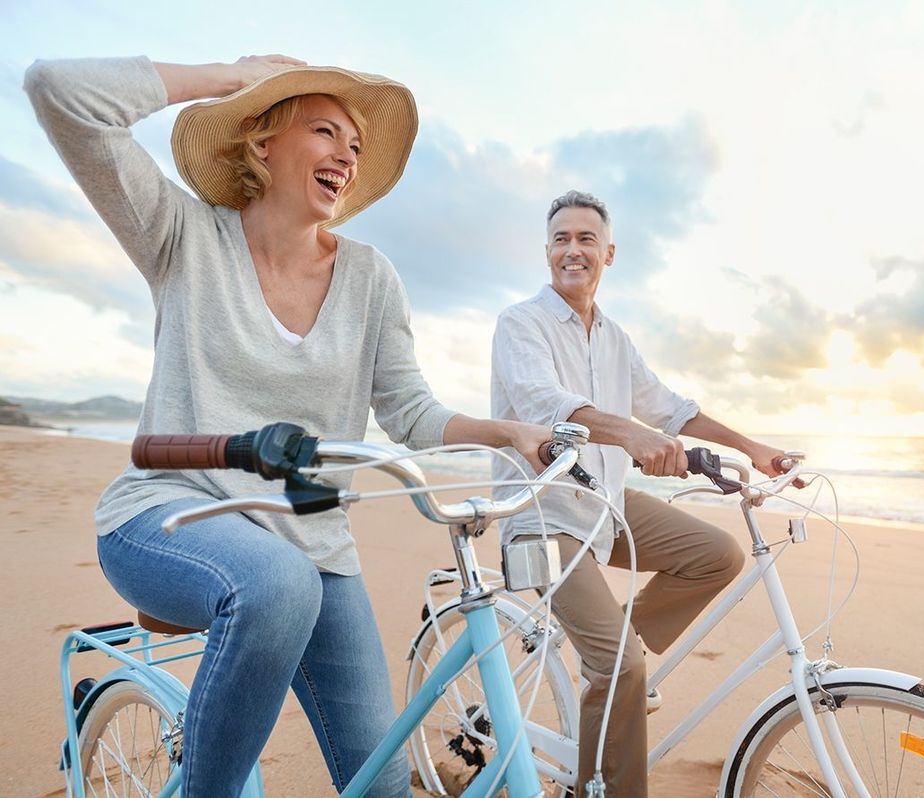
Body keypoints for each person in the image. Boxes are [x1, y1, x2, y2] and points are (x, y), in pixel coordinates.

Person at [25, 54, 549, 797]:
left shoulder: (372, 278)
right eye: (326, 131)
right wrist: (221, 78)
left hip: (314, 545)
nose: (347, 155)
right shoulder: (182, 236)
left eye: (357, 147)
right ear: (262, 143)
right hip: (167, 515)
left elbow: (409, 410)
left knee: (382, 782)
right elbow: (61, 94)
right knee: (276, 584)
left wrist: (508, 433)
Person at [490, 190, 801, 796]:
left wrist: (753, 448)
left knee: (717, 556)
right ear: (547, 252)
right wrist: (630, 435)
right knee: (621, 669)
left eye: (585, 239)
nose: (572, 250)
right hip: (541, 514)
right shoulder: (520, 324)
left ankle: (615, 645)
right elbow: (545, 408)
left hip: (603, 503)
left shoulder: (614, 338)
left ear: (609, 253)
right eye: (561, 239)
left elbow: (670, 409)